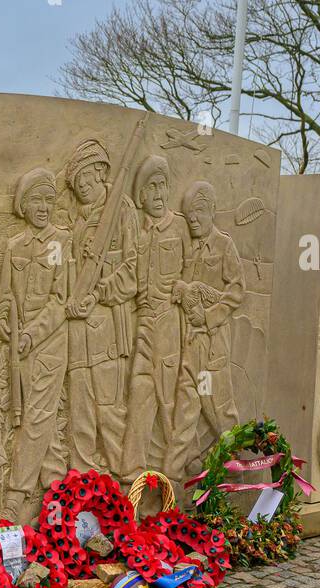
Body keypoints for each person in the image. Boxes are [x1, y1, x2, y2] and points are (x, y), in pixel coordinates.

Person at [0, 167, 70, 522]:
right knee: (46, 425)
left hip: (49, 345)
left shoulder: (61, 243)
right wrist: (4, 317)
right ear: (23, 206)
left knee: (37, 418)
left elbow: (60, 300)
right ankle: (57, 497)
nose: (43, 207)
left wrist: (31, 334)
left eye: (49, 200)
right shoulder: (14, 247)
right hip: (20, 348)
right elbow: (2, 297)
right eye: (36, 200)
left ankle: (16, 494)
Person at [64, 138, 138, 475]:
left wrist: (101, 293)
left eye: (83, 180)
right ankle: (79, 484)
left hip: (108, 323)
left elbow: (134, 269)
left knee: (109, 408)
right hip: (78, 328)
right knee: (80, 407)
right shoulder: (78, 221)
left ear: (99, 172)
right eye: (75, 184)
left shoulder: (121, 211)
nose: (80, 189)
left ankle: (121, 487)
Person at [167, 181, 245, 477]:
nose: (194, 220)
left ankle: (234, 459)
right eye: (188, 215)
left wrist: (209, 316)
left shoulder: (224, 245)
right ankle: (173, 479)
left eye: (198, 212)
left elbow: (237, 291)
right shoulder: (188, 246)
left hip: (212, 344)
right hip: (190, 343)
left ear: (211, 211)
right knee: (186, 407)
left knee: (217, 406)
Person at [121, 154, 187, 478]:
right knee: (140, 392)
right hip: (143, 322)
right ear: (141, 196)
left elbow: (195, 273)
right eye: (152, 187)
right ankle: (131, 475)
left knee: (168, 398)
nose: (160, 194)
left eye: (164, 186)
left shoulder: (181, 227)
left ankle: (174, 477)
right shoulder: (137, 231)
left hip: (169, 323)